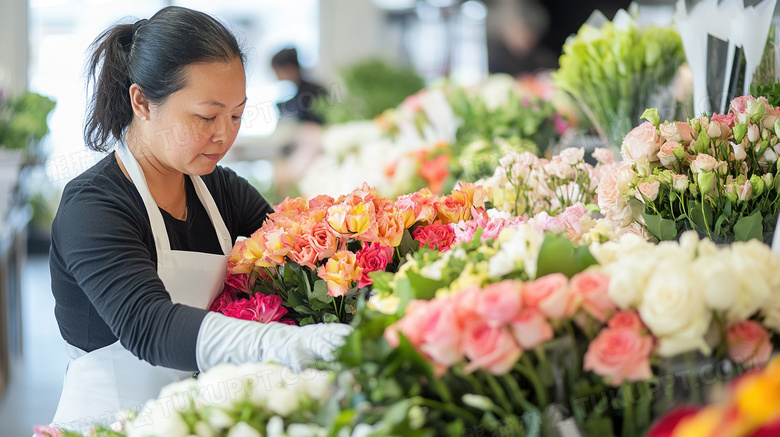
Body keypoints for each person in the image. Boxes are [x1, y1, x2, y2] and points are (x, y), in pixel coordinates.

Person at [48, 6, 351, 431]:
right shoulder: (93, 205)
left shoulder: (221, 190)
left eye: (237, 115)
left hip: (200, 416)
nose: (225, 135)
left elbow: (297, 256)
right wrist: (289, 345)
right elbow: (149, 326)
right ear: (142, 102)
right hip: (111, 423)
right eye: (206, 117)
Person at [271, 47, 328, 125]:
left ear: (290, 68)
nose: (277, 76)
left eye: (278, 71)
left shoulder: (314, 91)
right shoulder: (294, 94)